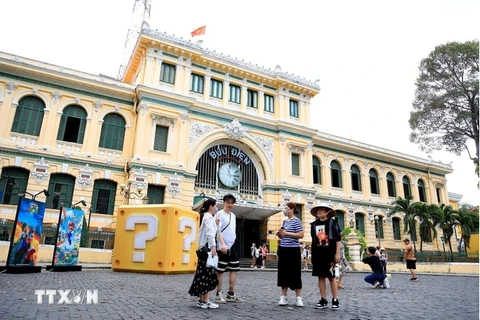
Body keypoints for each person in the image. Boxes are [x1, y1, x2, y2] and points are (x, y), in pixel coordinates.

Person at [188, 198, 220, 309]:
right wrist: (214, 247)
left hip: (202, 249)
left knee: (202, 274)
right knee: (208, 274)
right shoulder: (208, 217)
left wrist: (215, 223)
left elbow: (209, 231)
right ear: (211, 206)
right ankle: (206, 300)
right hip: (206, 250)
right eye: (215, 206)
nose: (216, 208)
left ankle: (202, 300)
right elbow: (210, 234)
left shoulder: (206, 217)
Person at [310, 203, 341, 310]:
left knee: (331, 277)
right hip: (318, 253)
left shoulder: (333, 223)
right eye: (318, 210)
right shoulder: (313, 224)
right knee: (320, 276)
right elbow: (313, 241)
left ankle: (335, 299)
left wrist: (337, 253)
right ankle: (323, 299)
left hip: (330, 253)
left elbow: (338, 239)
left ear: (327, 212)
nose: (319, 211)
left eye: (322, 210)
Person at [215, 194, 243, 303]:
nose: (230, 205)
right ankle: (219, 293)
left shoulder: (233, 216)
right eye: (228, 202)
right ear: (224, 203)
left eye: (232, 203)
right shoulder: (219, 214)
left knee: (234, 269)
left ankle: (230, 294)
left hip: (232, 246)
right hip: (222, 247)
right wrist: (222, 244)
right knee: (220, 271)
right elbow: (217, 231)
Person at [276, 202, 304, 307]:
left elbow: (301, 234)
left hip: (294, 250)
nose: (285, 210)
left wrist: (287, 233)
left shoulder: (297, 221)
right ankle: (283, 297)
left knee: (296, 273)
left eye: (287, 208)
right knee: (283, 273)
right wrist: (280, 234)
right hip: (283, 249)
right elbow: (284, 235)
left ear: (292, 209)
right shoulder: (284, 221)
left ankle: (298, 298)